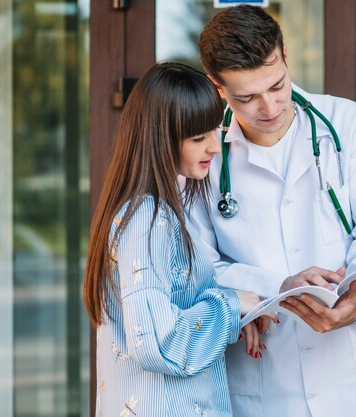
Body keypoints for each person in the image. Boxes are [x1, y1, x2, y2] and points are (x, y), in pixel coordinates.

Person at [187, 5, 356, 417]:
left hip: (345, 379)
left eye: (277, 85)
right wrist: (274, 286)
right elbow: (198, 265)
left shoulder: (348, 124)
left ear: (285, 54)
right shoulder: (206, 151)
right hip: (259, 378)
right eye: (246, 97)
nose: (268, 107)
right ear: (217, 86)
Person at [82, 62, 271, 417]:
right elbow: (158, 342)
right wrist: (231, 306)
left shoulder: (152, 213)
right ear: (161, 139)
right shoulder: (146, 219)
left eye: (215, 131)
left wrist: (238, 315)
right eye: (198, 138)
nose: (214, 148)